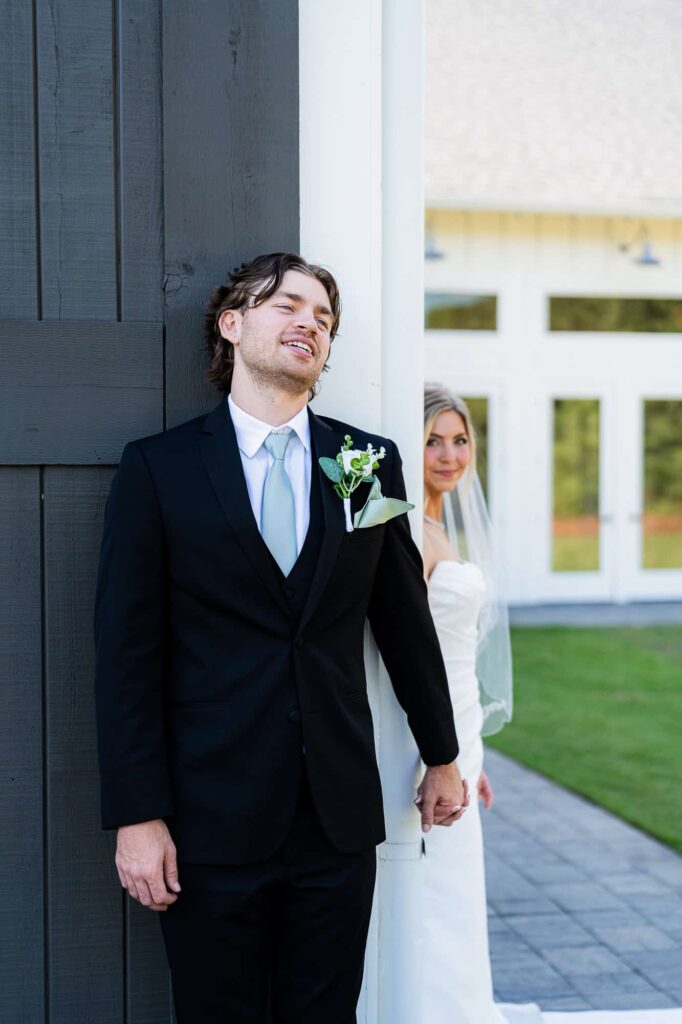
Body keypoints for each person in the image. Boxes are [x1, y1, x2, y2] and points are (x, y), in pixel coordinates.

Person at [94, 252, 468, 1024]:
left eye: (324, 318)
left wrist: (443, 754)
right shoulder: (159, 470)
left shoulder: (361, 465)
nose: (310, 323)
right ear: (232, 326)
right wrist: (138, 815)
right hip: (206, 818)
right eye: (287, 305)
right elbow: (126, 657)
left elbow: (403, 622)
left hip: (335, 817)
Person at [420, 383, 513, 1024]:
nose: (450, 455)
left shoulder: (440, 527)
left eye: (460, 440)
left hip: (460, 732)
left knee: (455, 889)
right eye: (432, 440)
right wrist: (438, 754)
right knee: (427, 884)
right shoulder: (405, 529)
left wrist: (468, 754)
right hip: (424, 741)